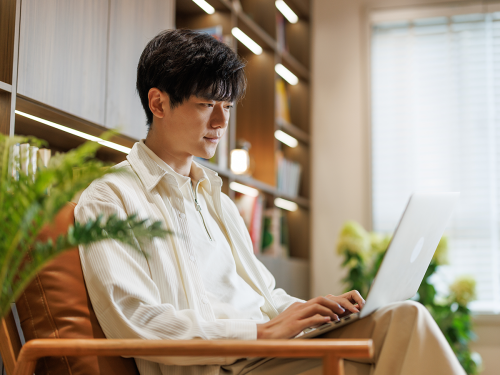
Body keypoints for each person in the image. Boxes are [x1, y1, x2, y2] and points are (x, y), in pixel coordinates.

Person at [76, 29, 465, 375]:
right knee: (404, 325)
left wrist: (315, 311)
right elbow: (134, 319)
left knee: (396, 320)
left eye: (227, 107)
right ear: (158, 104)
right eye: (205, 105)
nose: (221, 123)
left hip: (270, 351)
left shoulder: (217, 201)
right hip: (225, 363)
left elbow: (264, 297)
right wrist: (260, 333)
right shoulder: (111, 199)